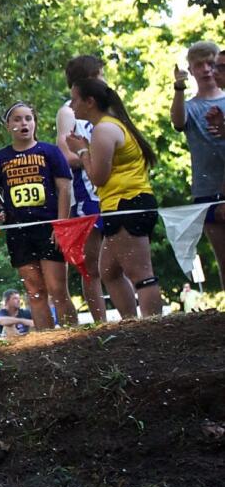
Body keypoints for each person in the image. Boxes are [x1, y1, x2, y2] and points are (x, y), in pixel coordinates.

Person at [67, 79, 162, 318]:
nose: (71, 105)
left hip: (127, 203)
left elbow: (98, 177)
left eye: (75, 99)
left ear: (90, 102)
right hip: (117, 205)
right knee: (108, 271)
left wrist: (81, 151)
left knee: (140, 272)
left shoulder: (104, 129)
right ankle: (131, 323)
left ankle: (156, 327)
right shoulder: (109, 126)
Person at [0, 102, 75, 331]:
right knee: (35, 291)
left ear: (34, 123)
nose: (23, 123)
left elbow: (65, 188)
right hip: (17, 230)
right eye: (17, 119)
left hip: (48, 226)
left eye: (28, 118)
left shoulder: (49, 151)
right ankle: (45, 341)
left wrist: (62, 225)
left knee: (57, 289)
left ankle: (74, 337)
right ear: (8, 125)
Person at [55, 55, 109, 323]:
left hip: (113, 188)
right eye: (101, 76)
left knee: (121, 258)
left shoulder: (108, 109)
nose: (105, 81)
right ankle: (100, 323)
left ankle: (132, 317)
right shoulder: (68, 111)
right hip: (87, 193)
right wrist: (92, 157)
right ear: (87, 79)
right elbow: (64, 154)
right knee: (93, 265)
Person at [171, 40, 225, 289]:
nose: (205, 69)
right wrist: (178, 88)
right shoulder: (190, 106)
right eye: (199, 65)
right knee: (222, 256)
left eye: (211, 64)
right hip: (206, 190)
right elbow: (178, 121)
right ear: (191, 70)